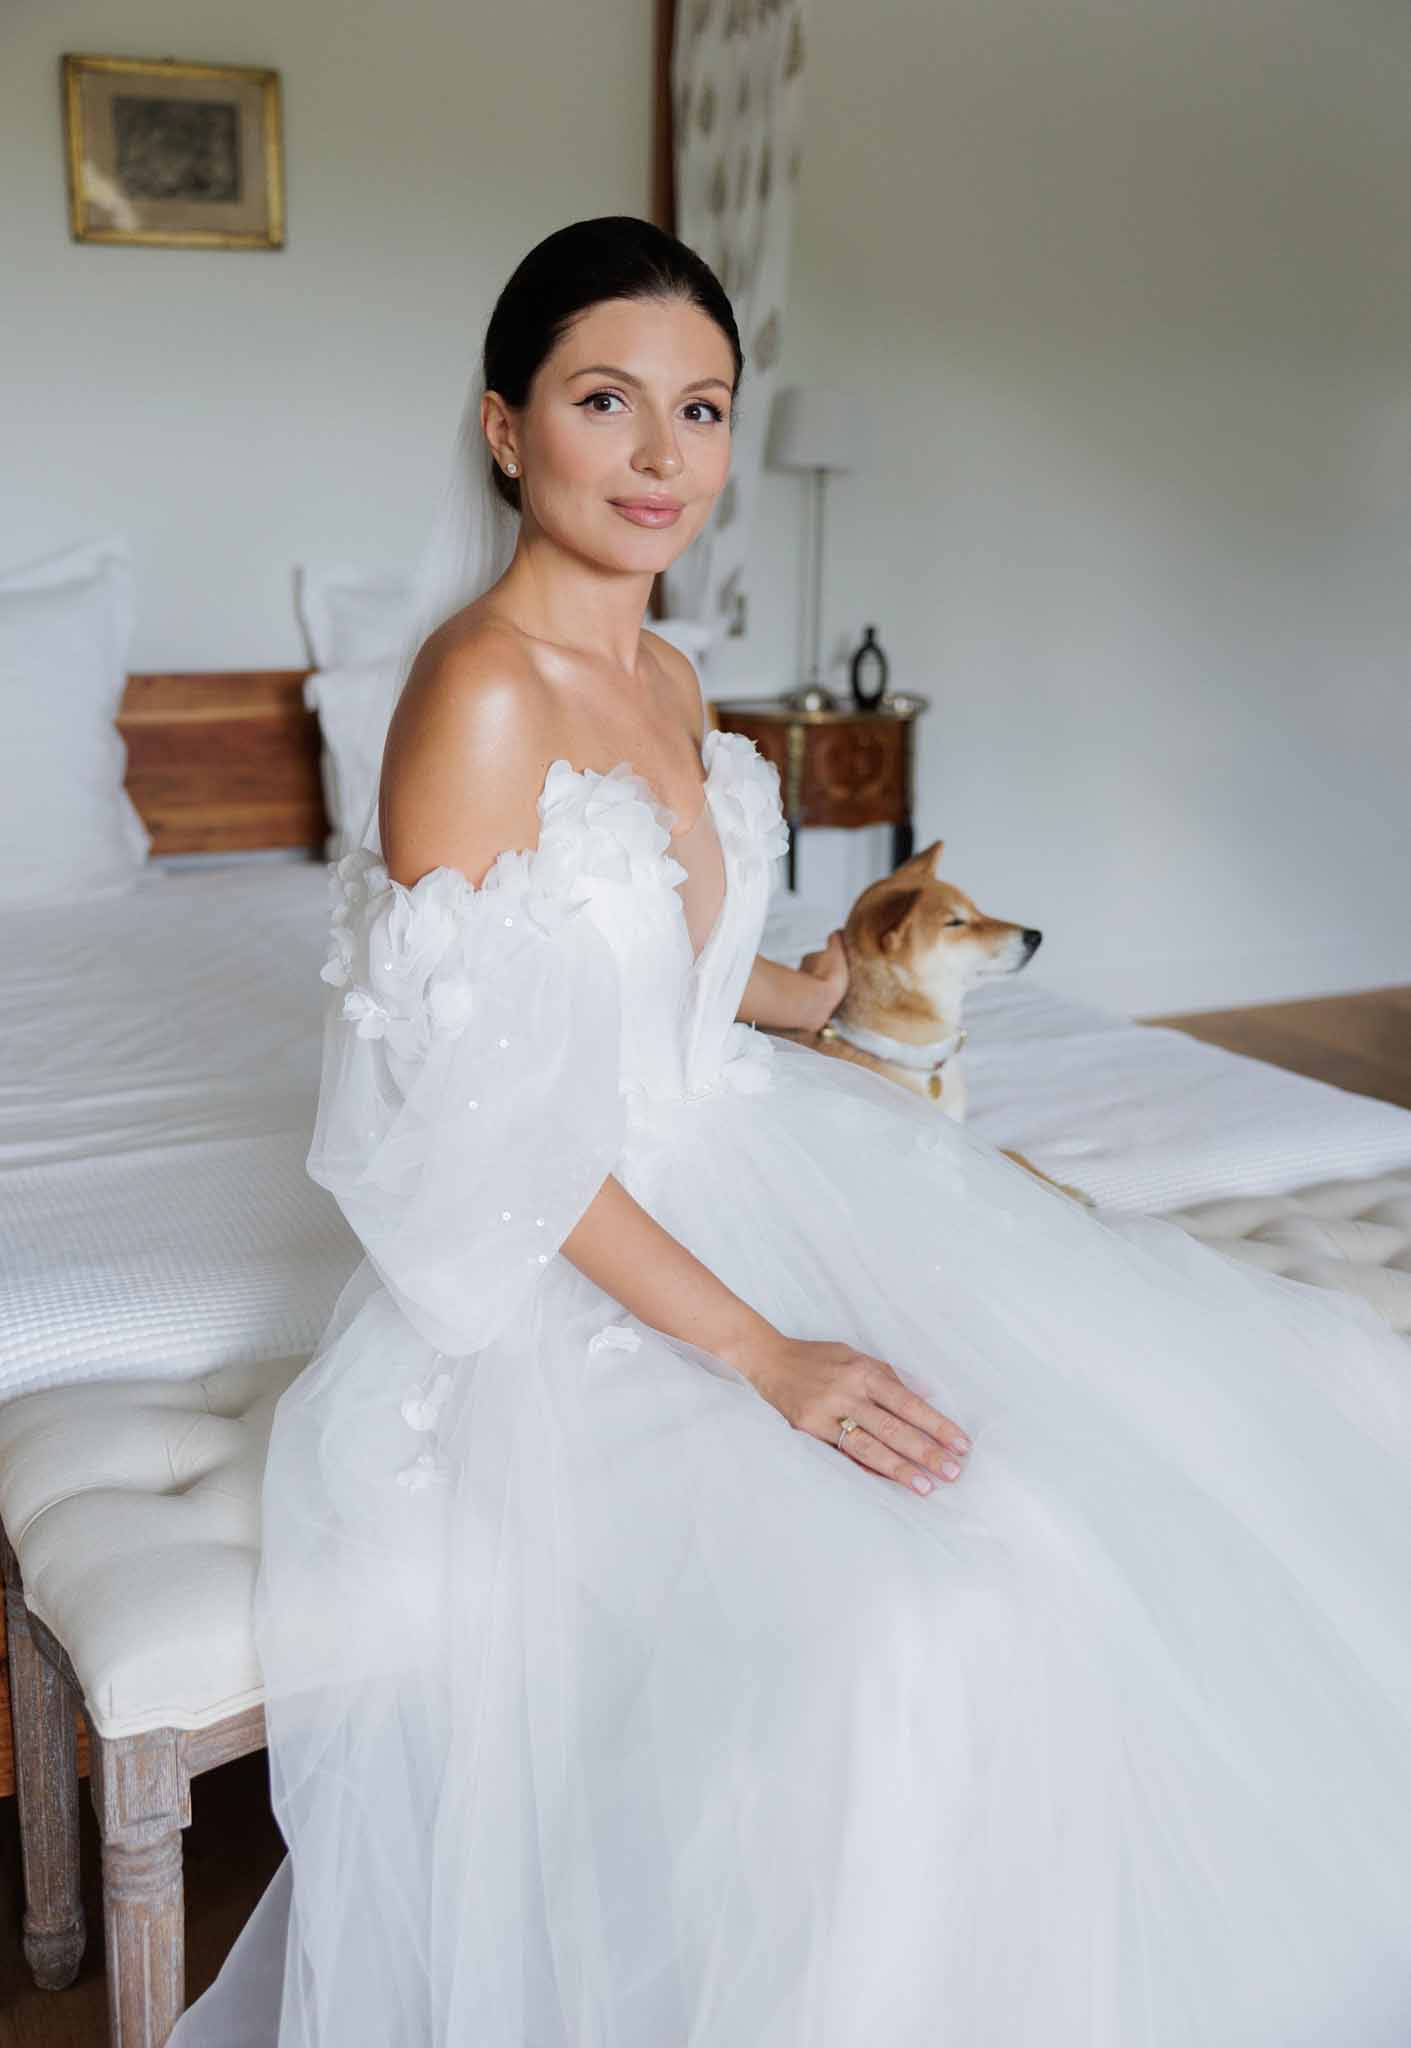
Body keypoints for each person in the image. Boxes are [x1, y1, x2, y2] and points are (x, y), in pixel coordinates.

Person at [170, 217, 1411, 2047]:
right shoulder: (475, 691)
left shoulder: (672, 677)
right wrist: (765, 1356)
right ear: (507, 426)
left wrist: (805, 994)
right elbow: (477, 1123)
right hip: (567, 1263)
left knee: (1262, 1409)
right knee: (930, 1620)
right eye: (610, 402)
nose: (668, 459)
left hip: (757, 1154)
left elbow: (648, 950)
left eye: (703, 408)